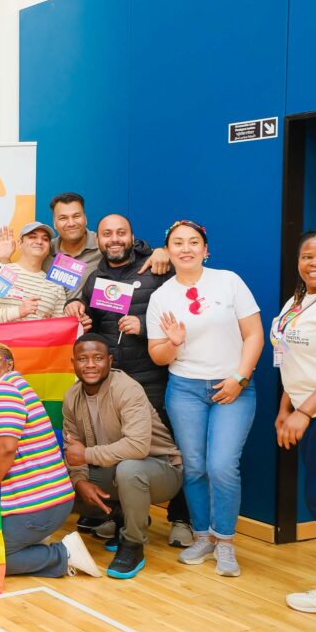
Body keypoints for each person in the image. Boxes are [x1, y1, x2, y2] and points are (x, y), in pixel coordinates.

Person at [63, 214, 192, 548]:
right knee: (118, 450)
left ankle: (181, 520)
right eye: (107, 234)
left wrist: (145, 327)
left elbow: (183, 319)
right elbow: (89, 328)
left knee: (167, 449)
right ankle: (125, 517)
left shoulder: (157, 268)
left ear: (133, 237)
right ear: (99, 240)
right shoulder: (96, 278)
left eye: (121, 233)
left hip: (152, 379)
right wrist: (76, 307)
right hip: (112, 384)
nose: (114, 239)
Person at [147, 220, 263, 577]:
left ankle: (225, 542)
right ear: (168, 251)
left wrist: (239, 378)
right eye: (178, 243)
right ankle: (203, 537)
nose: (186, 248)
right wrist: (174, 342)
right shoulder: (161, 296)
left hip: (232, 387)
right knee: (195, 467)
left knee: (222, 466)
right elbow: (158, 356)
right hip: (185, 390)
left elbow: (255, 334)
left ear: (206, 249)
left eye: (193, 242)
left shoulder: (229, 281)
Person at [0, 341, 100, 578]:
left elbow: (7, 449)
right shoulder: (0, 395)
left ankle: (63, 555)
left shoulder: (7, 388)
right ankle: (33, 541)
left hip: (41, 503)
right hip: (39, 501)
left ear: (9, 364)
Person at [63, 334, 184, 579]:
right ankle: (123, 517)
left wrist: (86, 455)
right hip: (114, 470)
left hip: (161, 469)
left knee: (129, 469)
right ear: (73, 363)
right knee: (61, 484)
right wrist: (79, 481)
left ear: (109, 361)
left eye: (98, 358)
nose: (90, 365)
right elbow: (73, 452)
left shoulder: (127, 388)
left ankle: (133, 544)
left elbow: (138, 447)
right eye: (83, 359)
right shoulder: (71, 397)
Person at [272, 231, 316, 614]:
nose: (314, 262)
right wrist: (286, 405)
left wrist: (304, 411)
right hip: (308, 409)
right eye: (307, 256)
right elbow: (289, 356)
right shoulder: (299, 300)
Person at [0, 192, 170, 302]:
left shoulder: (104, 243)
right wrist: (4, 259)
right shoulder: (44, 249)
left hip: (96, 323)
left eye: (76, 216)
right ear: (55, 223)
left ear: (85, 218)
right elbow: (19, 280)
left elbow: (129, 247)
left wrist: (158, 252)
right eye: (63, 218)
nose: (71, 223)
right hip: (54, 325)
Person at [0, 222, 65, 325]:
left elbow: (60, 327)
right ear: (20, 243)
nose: (39, 241)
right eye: (32, 237)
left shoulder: (57, 286)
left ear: (49, 247)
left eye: (45, 239)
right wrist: (18, 312)